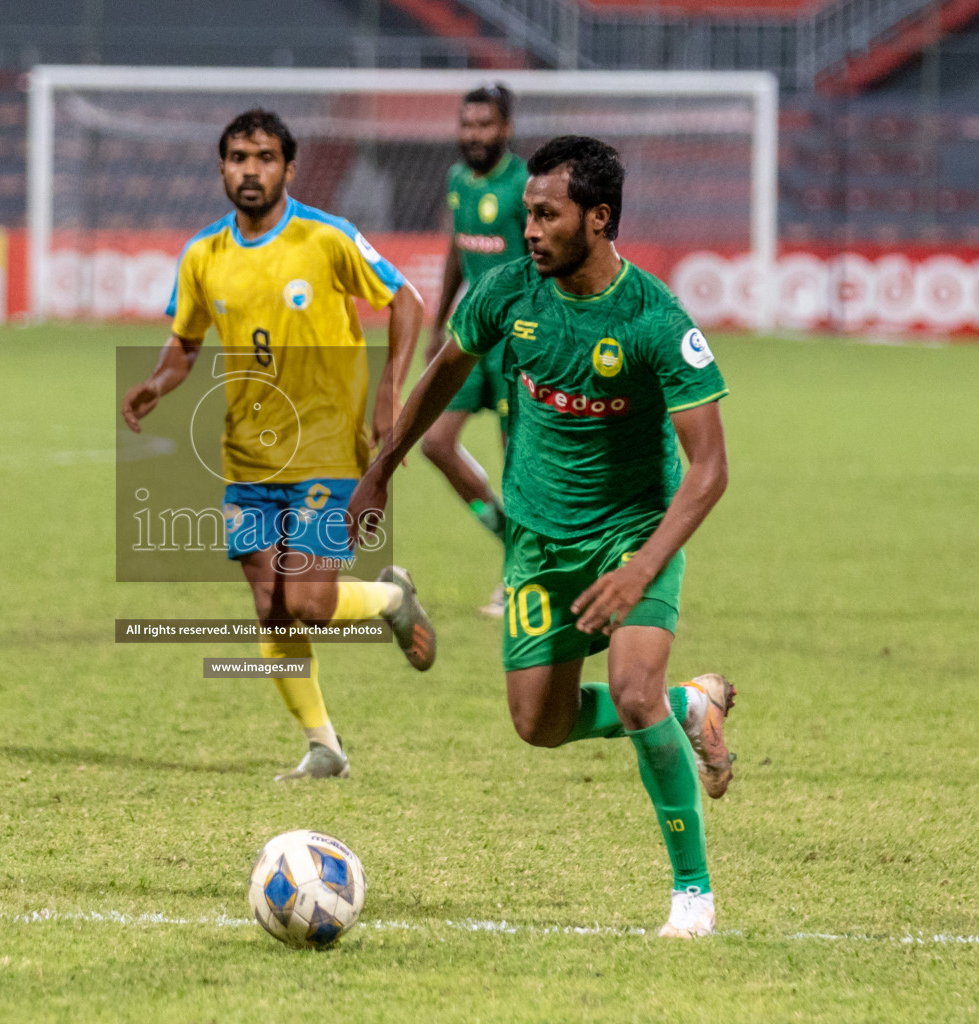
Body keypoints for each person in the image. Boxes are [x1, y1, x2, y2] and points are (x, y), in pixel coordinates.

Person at [348, 136, 737, 937]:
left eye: (546, 215)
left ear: (598, 219)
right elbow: (448, 369)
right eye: (528, 213)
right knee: (539, 724)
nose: (529, 229)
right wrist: (383, 466)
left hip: (631, 532)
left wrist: (644, 569)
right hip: (537, 537)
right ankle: (689, 705)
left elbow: (709, 470)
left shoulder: (654, 320)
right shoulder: (509, 293)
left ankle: (691, 893)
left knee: (629, 694)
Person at [121, 109, 434, 782]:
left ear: (289, 169)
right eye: (238, 157)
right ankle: (324, 745)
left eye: (264, 157)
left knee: (309, 603)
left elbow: (407, 302)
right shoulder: (204, 254)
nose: (250, 169)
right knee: (270, 604)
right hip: (247, 457)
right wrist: (157, 381)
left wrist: (391, 391)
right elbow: (186, 340)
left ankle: (389, 599)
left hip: (327, 446)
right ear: (222, 168)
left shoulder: (326, 238)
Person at [421, 85, 528, 617]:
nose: (474, 135)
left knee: (518, 465)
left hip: (518, 342)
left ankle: (521, 576)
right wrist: (437, 322)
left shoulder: (527, 185)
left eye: (485, 125)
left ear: (506, 128)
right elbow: (456, 250)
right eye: (467, 125)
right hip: (470, 335)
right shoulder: (457, 180)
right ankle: (511, 539)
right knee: (435, 443)